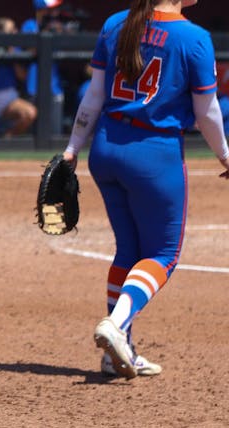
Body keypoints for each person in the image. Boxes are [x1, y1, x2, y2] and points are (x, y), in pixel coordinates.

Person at [61, 0, 229, 379]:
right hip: (154, 154)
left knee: (129, 250)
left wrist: (72, 147)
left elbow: (94, 95)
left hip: (105, 147)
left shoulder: (116, 23)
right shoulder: (194, 37)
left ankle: (117, 354)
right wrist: (225, 155)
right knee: (163, 255)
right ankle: (116, 325)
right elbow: (207, 113)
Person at [21, 0, 67, 135]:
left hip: (54, 87)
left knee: (54, 133)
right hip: (33, 86)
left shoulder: (58, 26)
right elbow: (30, 50)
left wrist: (61, 31)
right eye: (52, 9)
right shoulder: (30, 25)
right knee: (32, 134)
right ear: (41, 9)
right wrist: (45, 31)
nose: (55, 12)